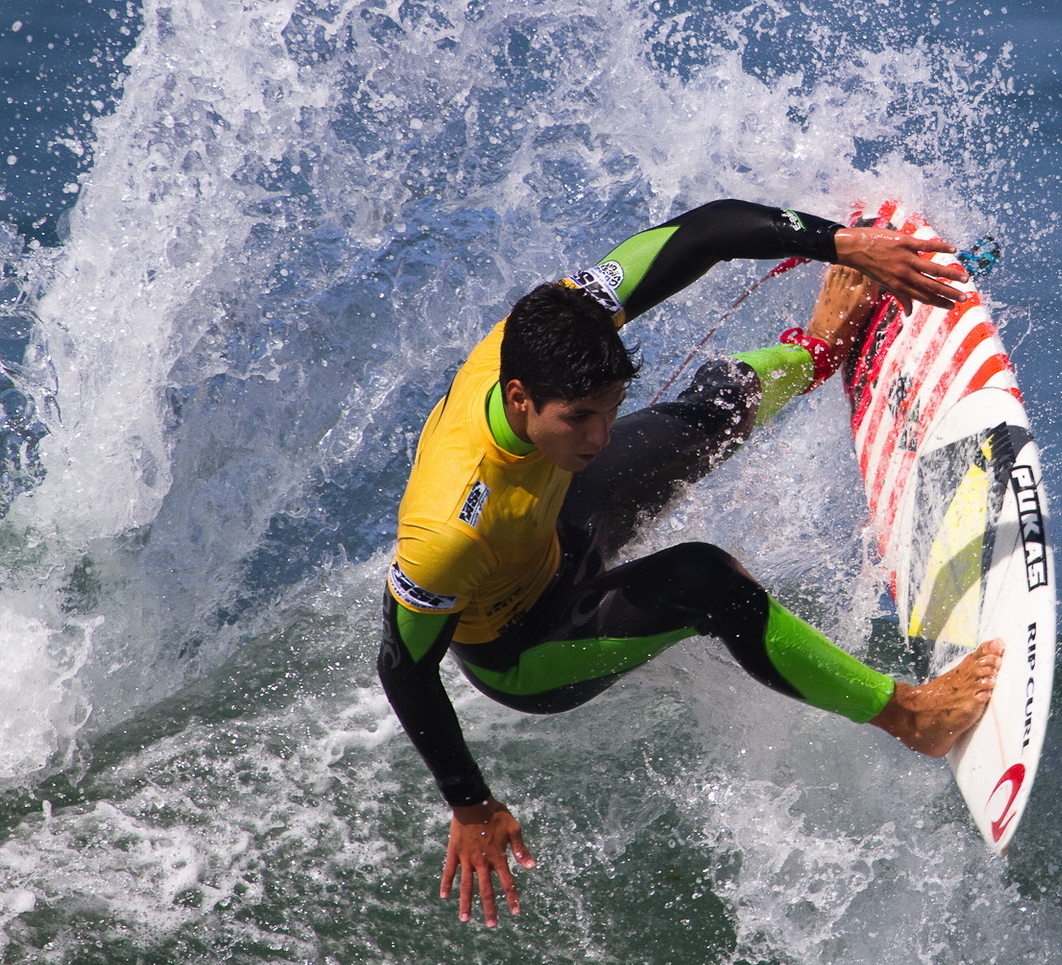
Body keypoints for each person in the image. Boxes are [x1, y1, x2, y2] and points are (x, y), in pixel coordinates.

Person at [377, 197, 1005, 927]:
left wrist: (841, 244)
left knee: (710, 409)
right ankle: (909, 716)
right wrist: (470, 803)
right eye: (579, 417)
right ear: (519, 398)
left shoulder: (558, 325)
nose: (600, 432)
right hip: (525, 642)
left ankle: (817, 351)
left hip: (552, 525)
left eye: (610, 408)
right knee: (704, 580)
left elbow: (701, 233)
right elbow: (404, 667)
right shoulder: (450, 526)